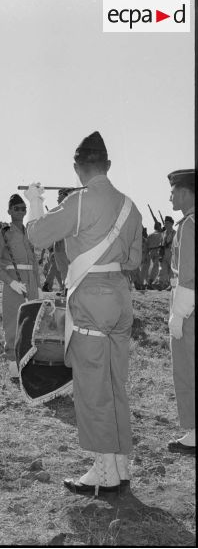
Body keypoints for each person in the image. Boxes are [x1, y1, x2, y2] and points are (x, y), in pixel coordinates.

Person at [25, 131, 142, 494]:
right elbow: (134, 261)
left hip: (91, 301)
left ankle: (104, 472)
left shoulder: (79, 202)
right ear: (107, 165)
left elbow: (35, 236)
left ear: (78, 168)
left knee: (93, 386)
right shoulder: (131, 207)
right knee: (114, 383)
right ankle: (120, 465)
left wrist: (35, 203)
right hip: (120, 300)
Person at [0, 194, 40, 377]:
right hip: (14, 284)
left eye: (23, 208)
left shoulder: (29, 232)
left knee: (32, 323)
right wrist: (11, 282)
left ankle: (27, 361)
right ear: (9, 211)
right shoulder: (5, 233)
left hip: (31, 284)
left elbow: (34, 262)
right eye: (16, 208)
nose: (20, 211)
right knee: (13, 323)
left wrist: (38, 286)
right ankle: (12, 365)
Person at [165, 169, 195, 455]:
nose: (170, 196)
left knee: (187, 368)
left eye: (173, 191)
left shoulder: (188, 225)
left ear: (185, 192)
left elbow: (187, 275)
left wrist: (179, 313)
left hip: (190, 308)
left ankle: (194, 433)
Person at [157, 216, 176, 290]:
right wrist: (160, 253)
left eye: (168, 223)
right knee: (162, 269)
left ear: (172, 224)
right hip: (164, 253)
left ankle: (173, 286)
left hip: (172, 253)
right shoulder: (163, 233)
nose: (166, 225)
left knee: (172, 271)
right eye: (165, 223)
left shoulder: (175, 233)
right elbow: (160, 244)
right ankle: (161, 283)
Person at [145, 222, 163, 288]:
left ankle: (151, 281)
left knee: (155, 267)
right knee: (157, 267)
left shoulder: (150, 235)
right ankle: (151, 281)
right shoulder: (161, 234)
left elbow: (146, 245)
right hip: (158, 251)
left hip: (151, 252)